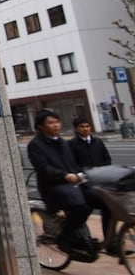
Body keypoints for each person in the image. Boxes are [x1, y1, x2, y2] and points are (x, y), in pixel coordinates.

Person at [27, 109, 109, 256]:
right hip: (54, 186)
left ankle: (109, 241)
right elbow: (43, 168)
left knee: (106, 201)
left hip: (74, 182)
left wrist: (83, 176)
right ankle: (64, 239)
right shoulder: (35, 145)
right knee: (81, 206)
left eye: (57, 122)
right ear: (40, 126)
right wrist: (65, 176)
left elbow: (73, 163)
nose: (55, 125)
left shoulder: (63, 142)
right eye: (50, 123)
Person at [68, 115, 118, 252]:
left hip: (101, 180)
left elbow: (107, 159)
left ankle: (110, 241)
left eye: (87, 126)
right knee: (87, 210)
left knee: (110, 207)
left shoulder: (97, 141)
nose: (85, 129)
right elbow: (72, 164)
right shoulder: (71, 144)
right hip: (84, 183)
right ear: (76, 129)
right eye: (82, 127)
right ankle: (84, 239)